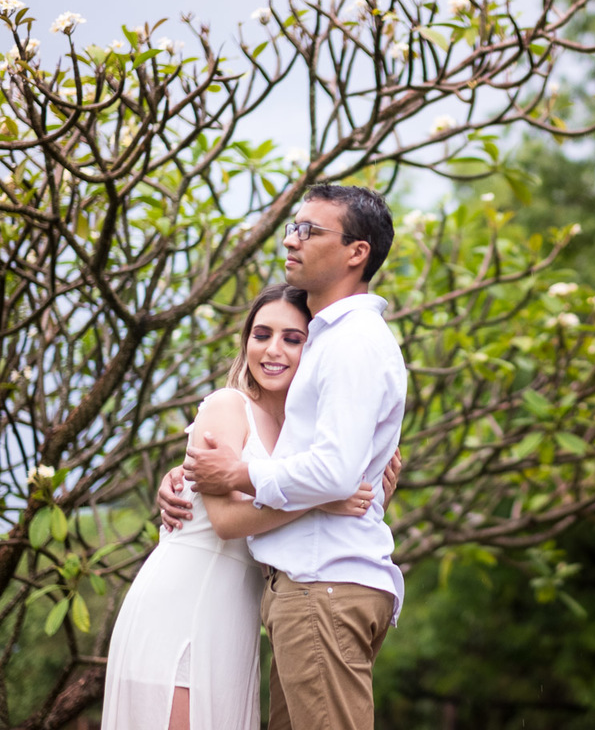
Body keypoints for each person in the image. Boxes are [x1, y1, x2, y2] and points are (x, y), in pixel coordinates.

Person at [103, 284, 385, 730]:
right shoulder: (228, 405)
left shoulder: (310, 434)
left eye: (293, 339)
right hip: (181, 605)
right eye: (261, 334)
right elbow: (227, 521)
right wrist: (321, 500)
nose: (273, 350)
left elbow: (369, 479)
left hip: (236, 620)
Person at [182, 184, 406, 730]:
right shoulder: (331, 338)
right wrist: (185, 477)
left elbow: (334, 471)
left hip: (322, 585)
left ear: (357, 252)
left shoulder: (353, 341)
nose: (290, 239)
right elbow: (301, 446)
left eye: (309, 230)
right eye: (292, 227)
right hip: (309, 587)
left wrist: (238, 473)